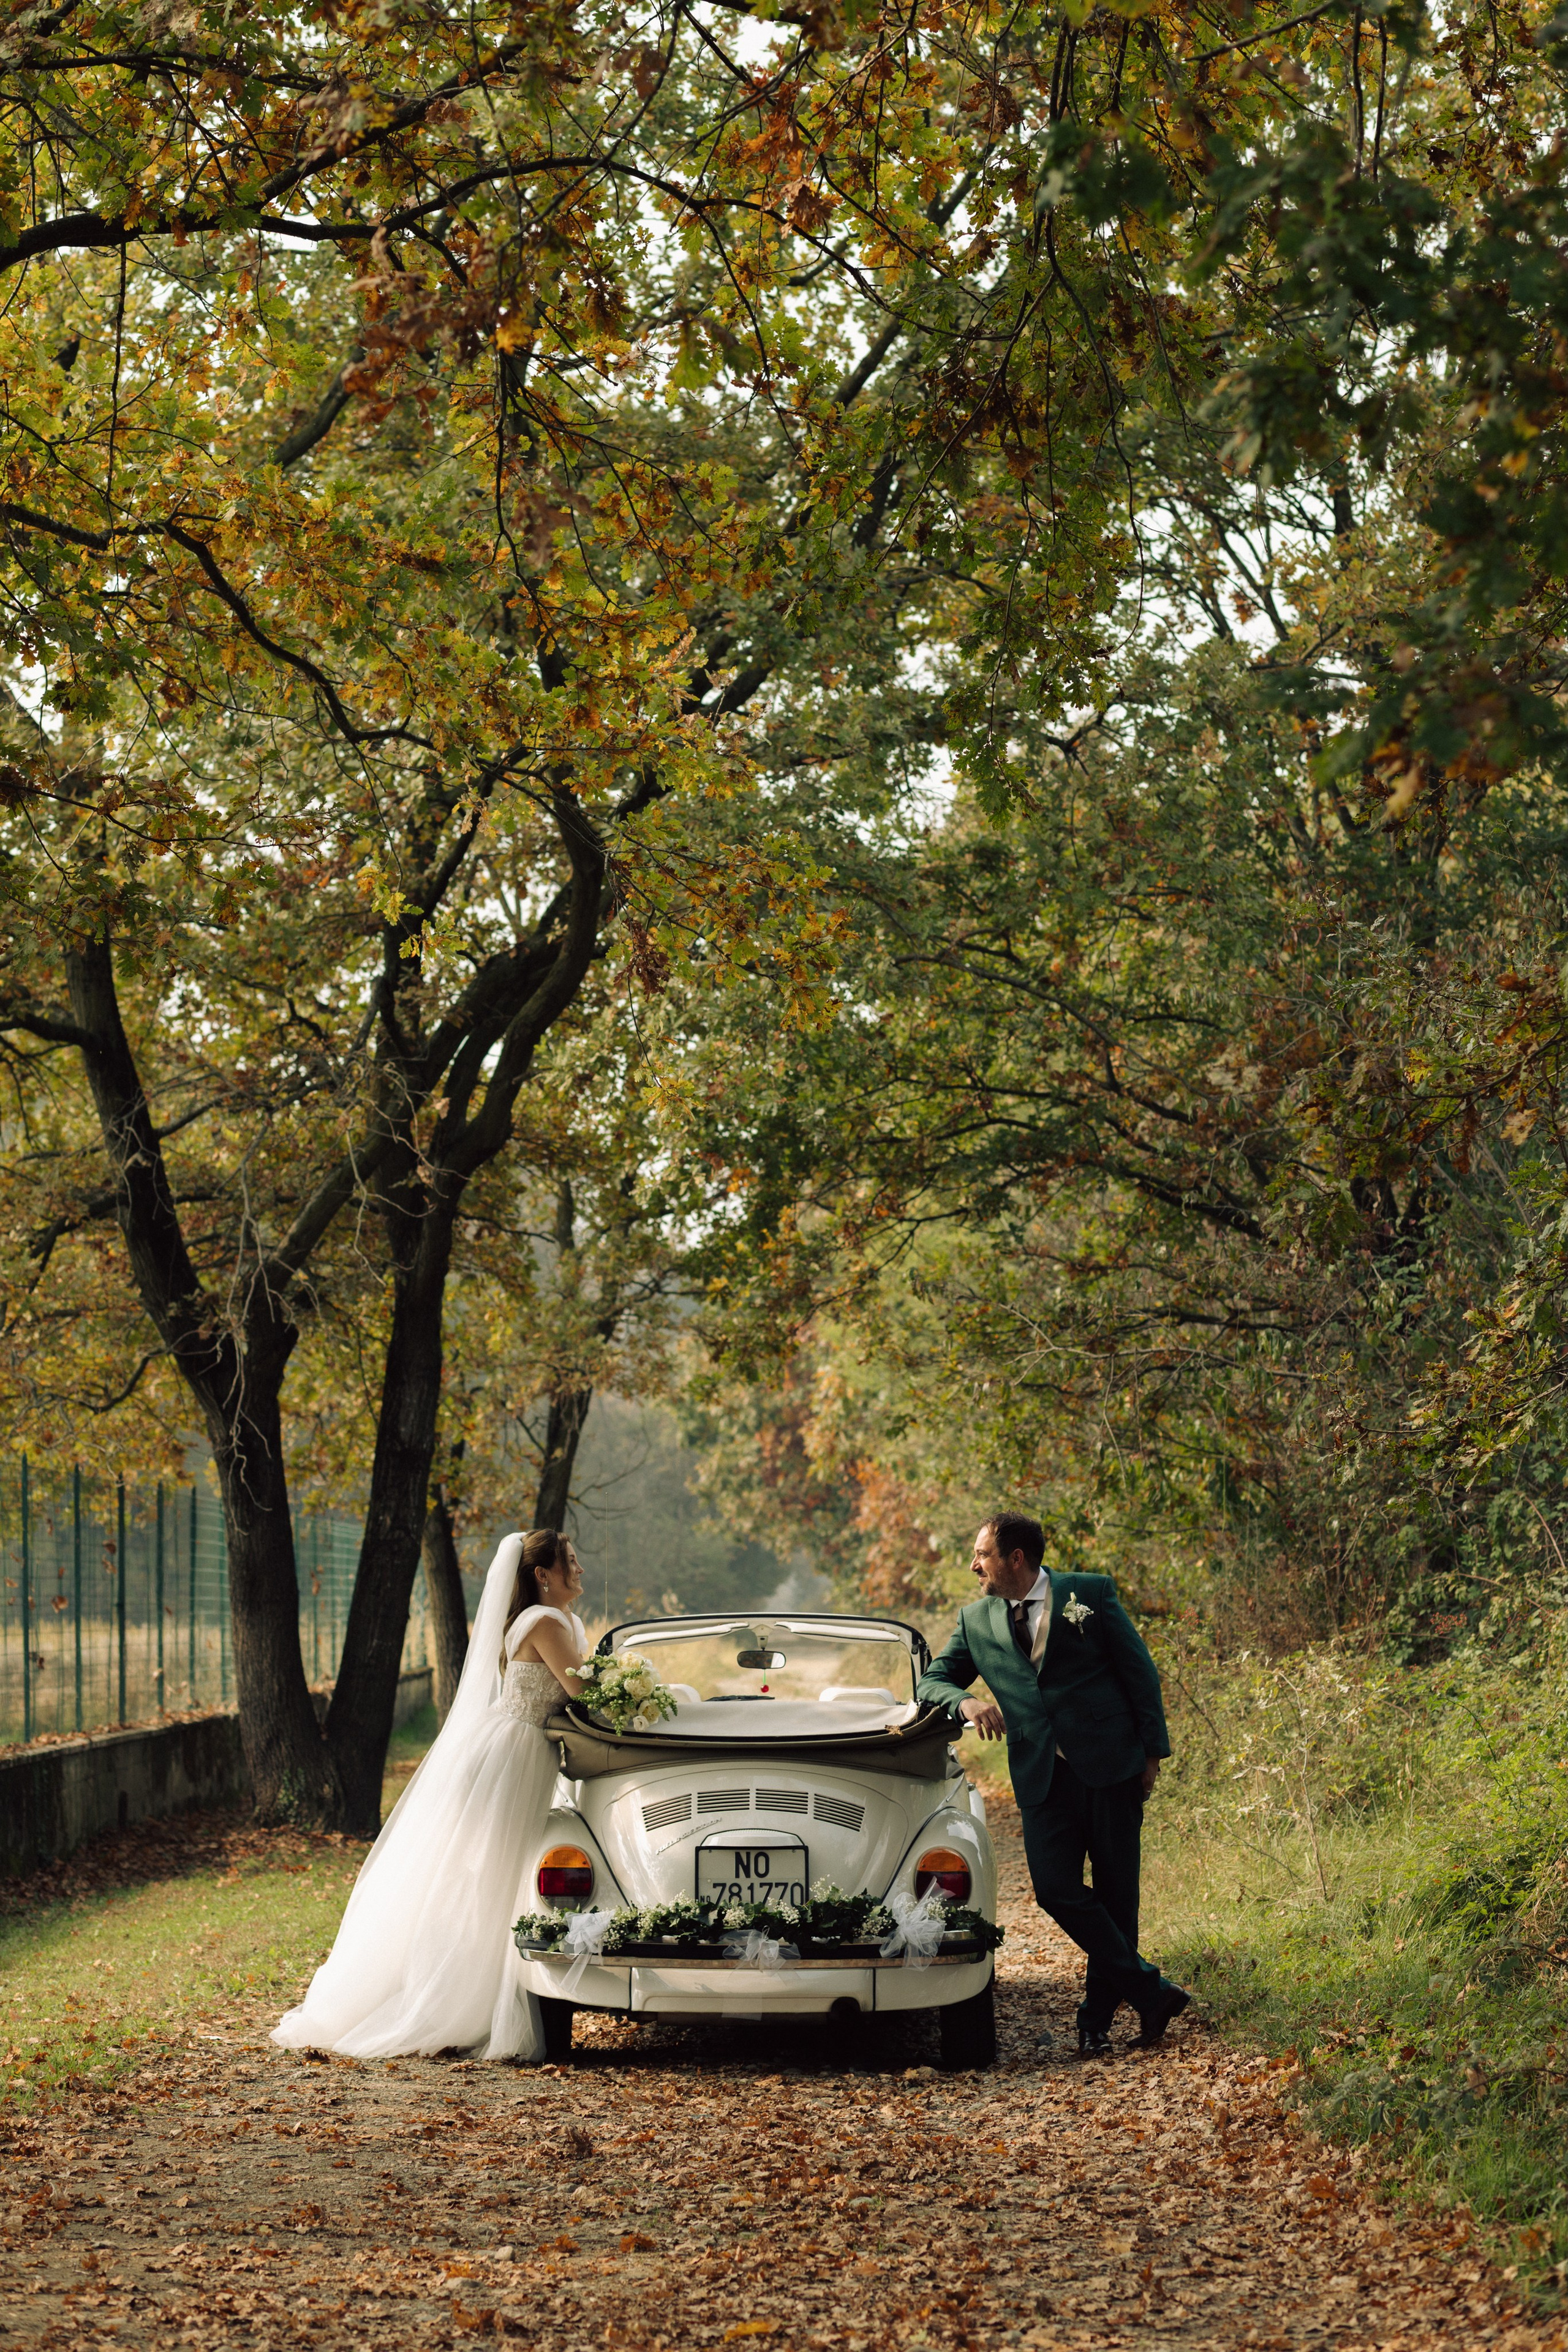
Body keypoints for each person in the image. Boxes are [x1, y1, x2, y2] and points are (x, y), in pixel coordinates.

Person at [273, 1528, 587, 2060]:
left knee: (492, 1877)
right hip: (517, 1753)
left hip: (514, 1747)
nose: (579, 1569)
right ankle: (452, 1998)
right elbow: (583, 1693)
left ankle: (480, 1989)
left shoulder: (544, 1620)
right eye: (570, 1562)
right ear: (542, 1575)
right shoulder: (548, 1621)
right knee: (493, 1877)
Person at [917, 1511, 1189, 2056]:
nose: (974, 1565)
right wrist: (966, 1701)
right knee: (1054, 1889)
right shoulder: (976, 1621)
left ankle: (1096, 2022)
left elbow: (1139, 1671)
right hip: (1041, 1773)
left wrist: (1152, 1754)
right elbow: (933, 1678)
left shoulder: (1088, 1593)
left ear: (1015, 1558)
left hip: (1112, 1765)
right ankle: (1151, 1992)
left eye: (981, 1554)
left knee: (1118, 1897)